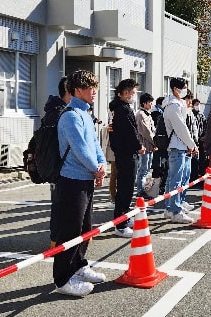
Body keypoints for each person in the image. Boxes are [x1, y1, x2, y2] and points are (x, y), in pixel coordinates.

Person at [53, 70, 106, 297]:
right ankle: (62, 279)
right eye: (89, 87)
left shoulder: (84, 114)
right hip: (71, 180)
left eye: (94, 87)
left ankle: (79, 266)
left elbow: (94, 145)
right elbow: (80, 149)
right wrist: (97, 169)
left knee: (84, 228)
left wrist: (102, 164)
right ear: (77, 90)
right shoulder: (70, 116)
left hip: (85, 178)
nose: (94, 92)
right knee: (69, 230)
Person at [109, 79, 146, 238]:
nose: (135, 95)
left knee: (126, 187)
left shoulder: (117, 107)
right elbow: (130, 132)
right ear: (125, 93)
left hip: (121, 152)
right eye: (133, 92)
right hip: (126, 153)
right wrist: (139, 146)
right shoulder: (123, 109)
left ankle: (124, 216)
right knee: (126, 187)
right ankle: (121, 224)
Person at [41, 77, 71, 249]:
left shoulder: (55, 110)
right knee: (60, 204)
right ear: (68, 91)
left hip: (57, 165)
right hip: (59, 166)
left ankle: (57, 240)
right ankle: (56, 241)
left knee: (60, 203)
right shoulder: (60, 113)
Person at [163, 79, 198, 223]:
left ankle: (170, 208)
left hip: (179, 146)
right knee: (176, 181)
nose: (185, 91)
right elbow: (181, 129)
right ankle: (174, 210)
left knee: (174, 180)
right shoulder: (173, 106)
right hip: (177, 146)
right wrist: (192, 145)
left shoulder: (177, 105)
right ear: (176, 89)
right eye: (183, 88)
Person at [135, 93, 156, 198]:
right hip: (144, 146)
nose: (152, 104)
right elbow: (146, 132)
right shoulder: (140, 114)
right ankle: (140, 191)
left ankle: (145, 190)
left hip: (149, 146)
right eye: (150, 102)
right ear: (144, 103)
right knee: (143, 169)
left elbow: (152, 130)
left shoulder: (147, 113)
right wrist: (155, 142)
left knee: (147, 169)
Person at [150, 97, 169, 194]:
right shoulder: (159, 115)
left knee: (160, 167)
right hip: (162, 146)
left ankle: (158, 187)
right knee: (161, 167)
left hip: (160, 145)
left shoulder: (161, 115)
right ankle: (158, 187)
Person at [190, 98, 208, 184]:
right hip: (194, 141)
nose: (198, 106)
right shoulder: (190, 114)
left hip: (201, 141)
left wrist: (203, 136)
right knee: (193, 160)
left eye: (199, 104)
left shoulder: (201, 115)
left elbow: (206, 127)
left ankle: (201, 175)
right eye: (196, 104)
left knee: (202, 159)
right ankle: (193, 176)